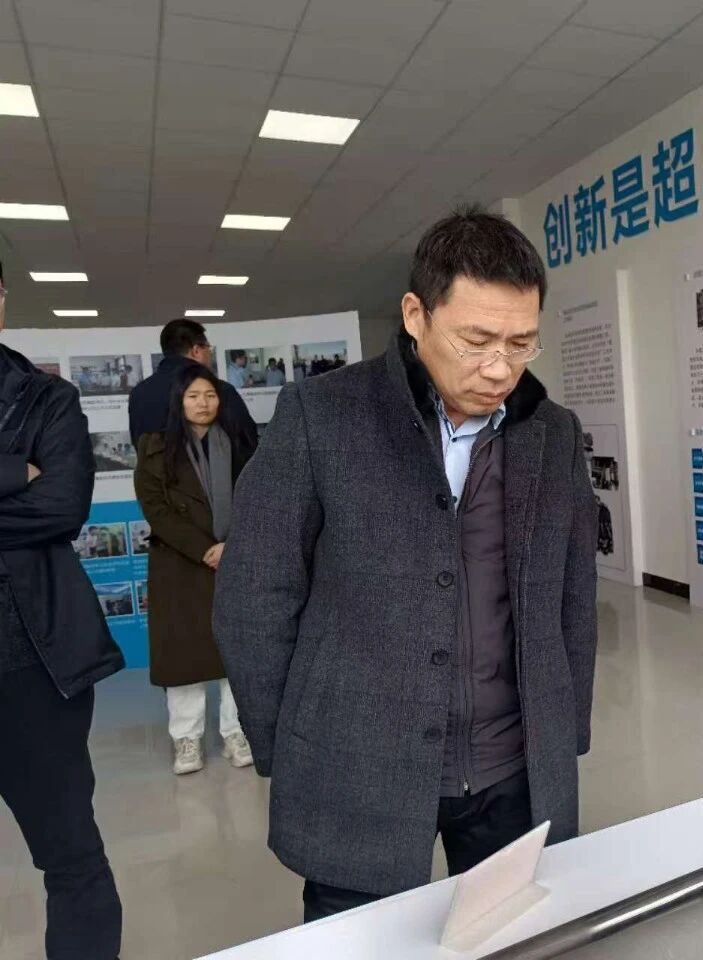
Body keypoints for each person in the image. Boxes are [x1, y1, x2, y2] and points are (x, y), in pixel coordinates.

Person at [214, 206, 598, 922]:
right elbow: (255, 596)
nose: (499, 368)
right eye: (476, 340)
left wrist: (563, 730)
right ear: (416, 315)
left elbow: (572, 593)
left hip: (512, 766)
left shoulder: (552, 433)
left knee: (512, 936)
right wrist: (289, 746)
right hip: (358, 765)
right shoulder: (323, 416)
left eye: (521, 344)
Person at [0, 258, 125, 960]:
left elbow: (60, 507)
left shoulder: (46, 399)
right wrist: (11, 472)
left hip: (31, 667)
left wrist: (34, 486)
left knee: (71, 856)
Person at [135, 365, 257, 775]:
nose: (203, 403)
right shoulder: (154, 446)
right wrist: (204, 548)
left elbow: (258, 499)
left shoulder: (239, 442)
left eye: (210, 395)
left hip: (233, 558)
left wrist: (232, 546)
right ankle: (186, 739)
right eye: (193, 396)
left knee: (235, 654)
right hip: (180, 562)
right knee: (184, 657)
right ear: (179, 401)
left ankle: (237, 732)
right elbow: (156, 509)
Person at [129, 318, 256, 448]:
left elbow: (138, 443)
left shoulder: (138, 393)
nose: (210, 353)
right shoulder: (218, 390)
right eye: (208, 348)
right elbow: (247, 442)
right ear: (196, 351)